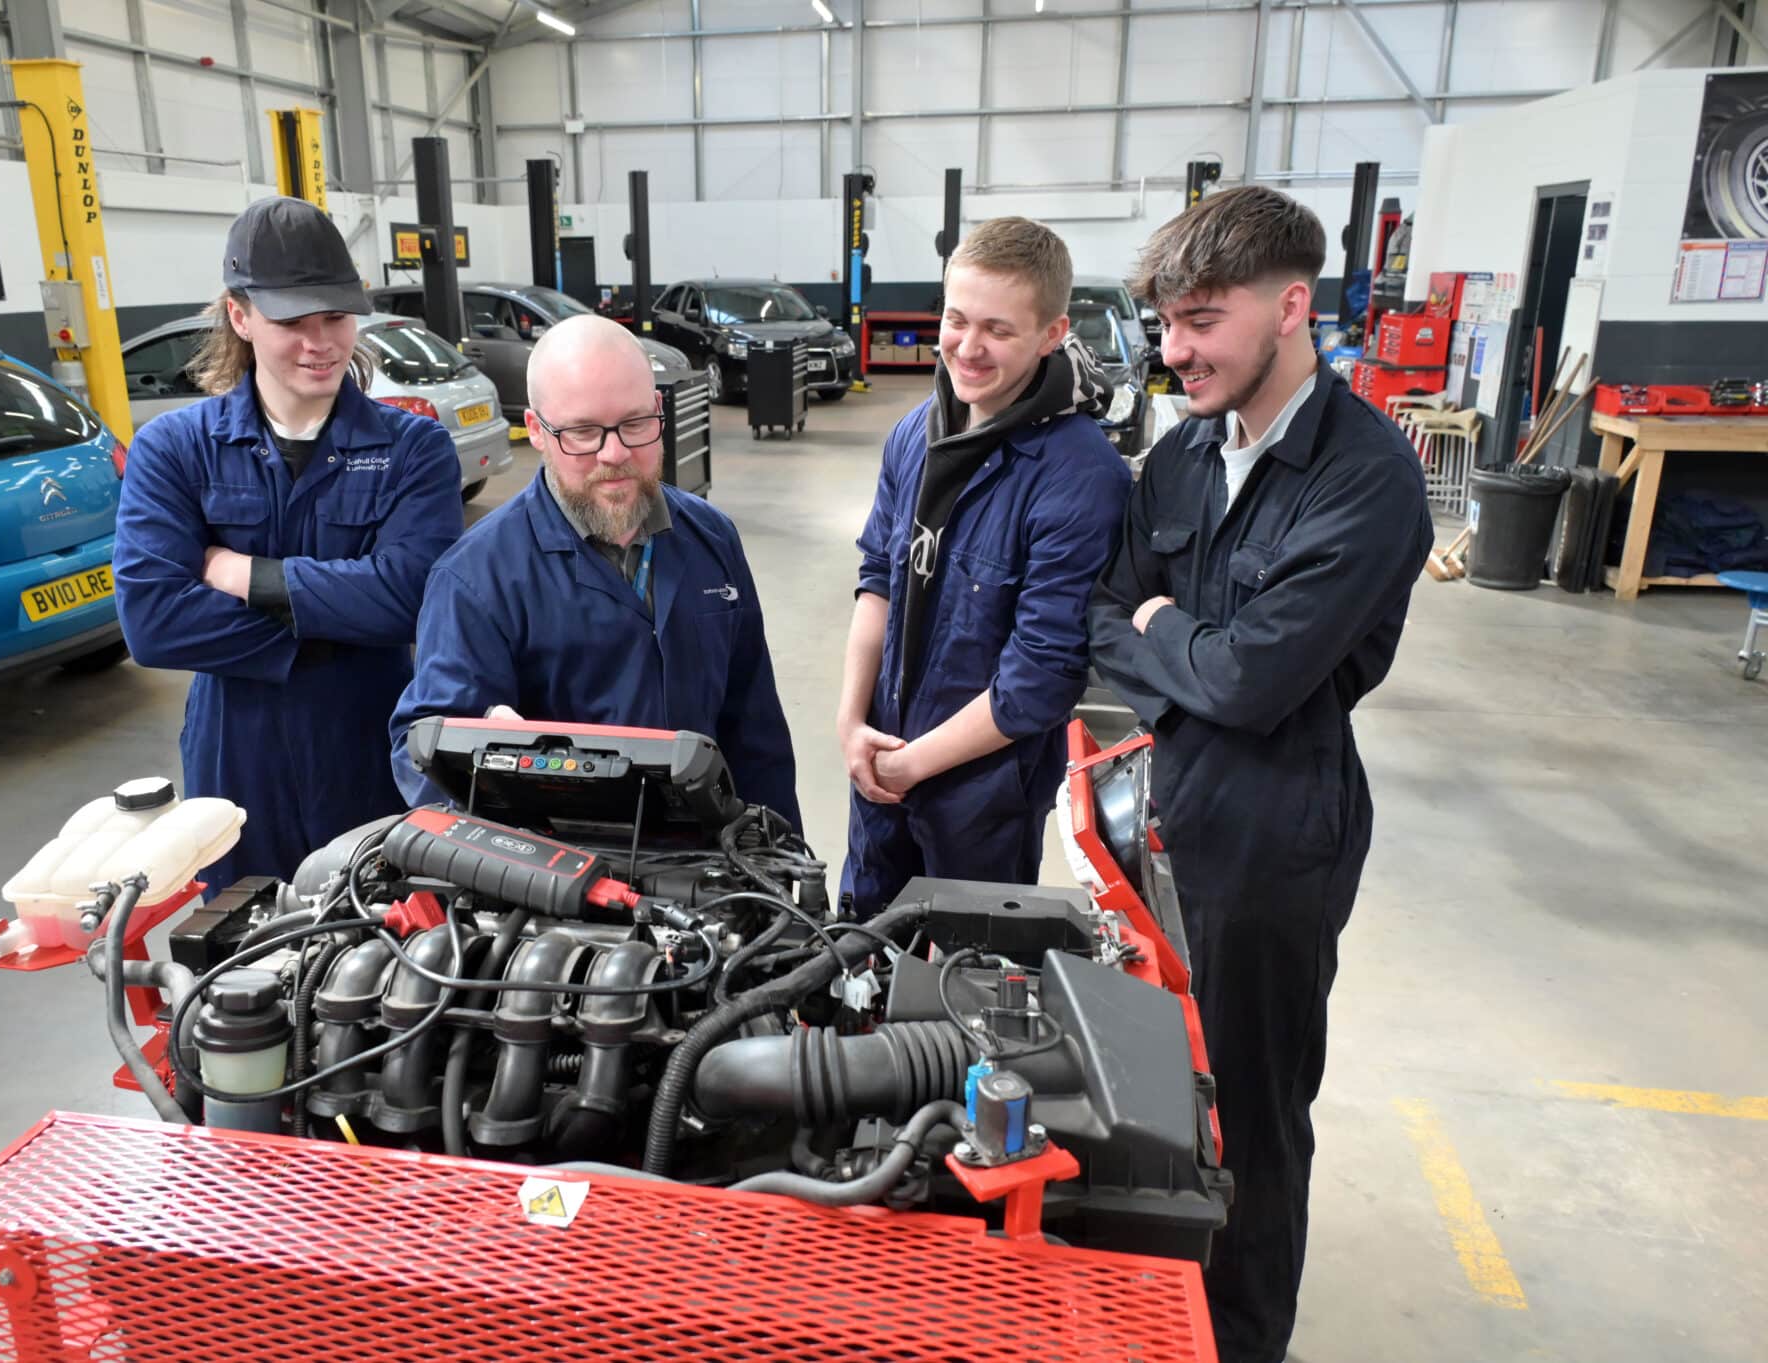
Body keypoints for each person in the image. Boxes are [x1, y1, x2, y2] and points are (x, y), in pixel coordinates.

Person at [1086, 186, 1433, 1363]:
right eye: (1164, 324)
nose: (1171, 351)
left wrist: (1163, 631)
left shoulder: (1367, 477)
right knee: (1144, 1088)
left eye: (1198, 321)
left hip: (1272, 837)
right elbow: (1102, 620)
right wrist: (1174, 634)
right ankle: (1153, 1314)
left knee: (1247, 1117)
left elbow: (1251, 685)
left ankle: (1237, 1341)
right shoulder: (1180, 456)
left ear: (1291, 307)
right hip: (1148, 819)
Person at [115, 196, 462, 894]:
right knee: (245, 956)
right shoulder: (175, 450)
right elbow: (153, 623)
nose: (321, 341)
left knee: (384, 951)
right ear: (240, 316)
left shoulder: (413, 449)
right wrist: (338, 621)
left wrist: (239, 572)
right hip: (235, 759)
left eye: (335, 315)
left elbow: (413, 599)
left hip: (372, 747)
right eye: (291, 321)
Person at [390, 315, 800, 827]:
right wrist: (484, 761)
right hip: (563, 883)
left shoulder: (712, 540)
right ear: (537, 432)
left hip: (707, 874)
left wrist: (783, 866)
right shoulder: (475, 579)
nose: (616, 454)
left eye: (635, 423)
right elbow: (423, 757)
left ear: (658, 410)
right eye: (583, 432)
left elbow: (756, 731)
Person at [837, 216, 1130, 916]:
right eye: (956, 318)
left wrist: (912, 765)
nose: (967, 348)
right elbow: (878, 578)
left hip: (984, 792)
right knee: (856, 959)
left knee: (966, 990)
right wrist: (852, 721)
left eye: (998, 330)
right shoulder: (914, 435)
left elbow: (1040, 675)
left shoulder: (1081, 475)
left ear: (1052, 334)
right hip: (881, 762)